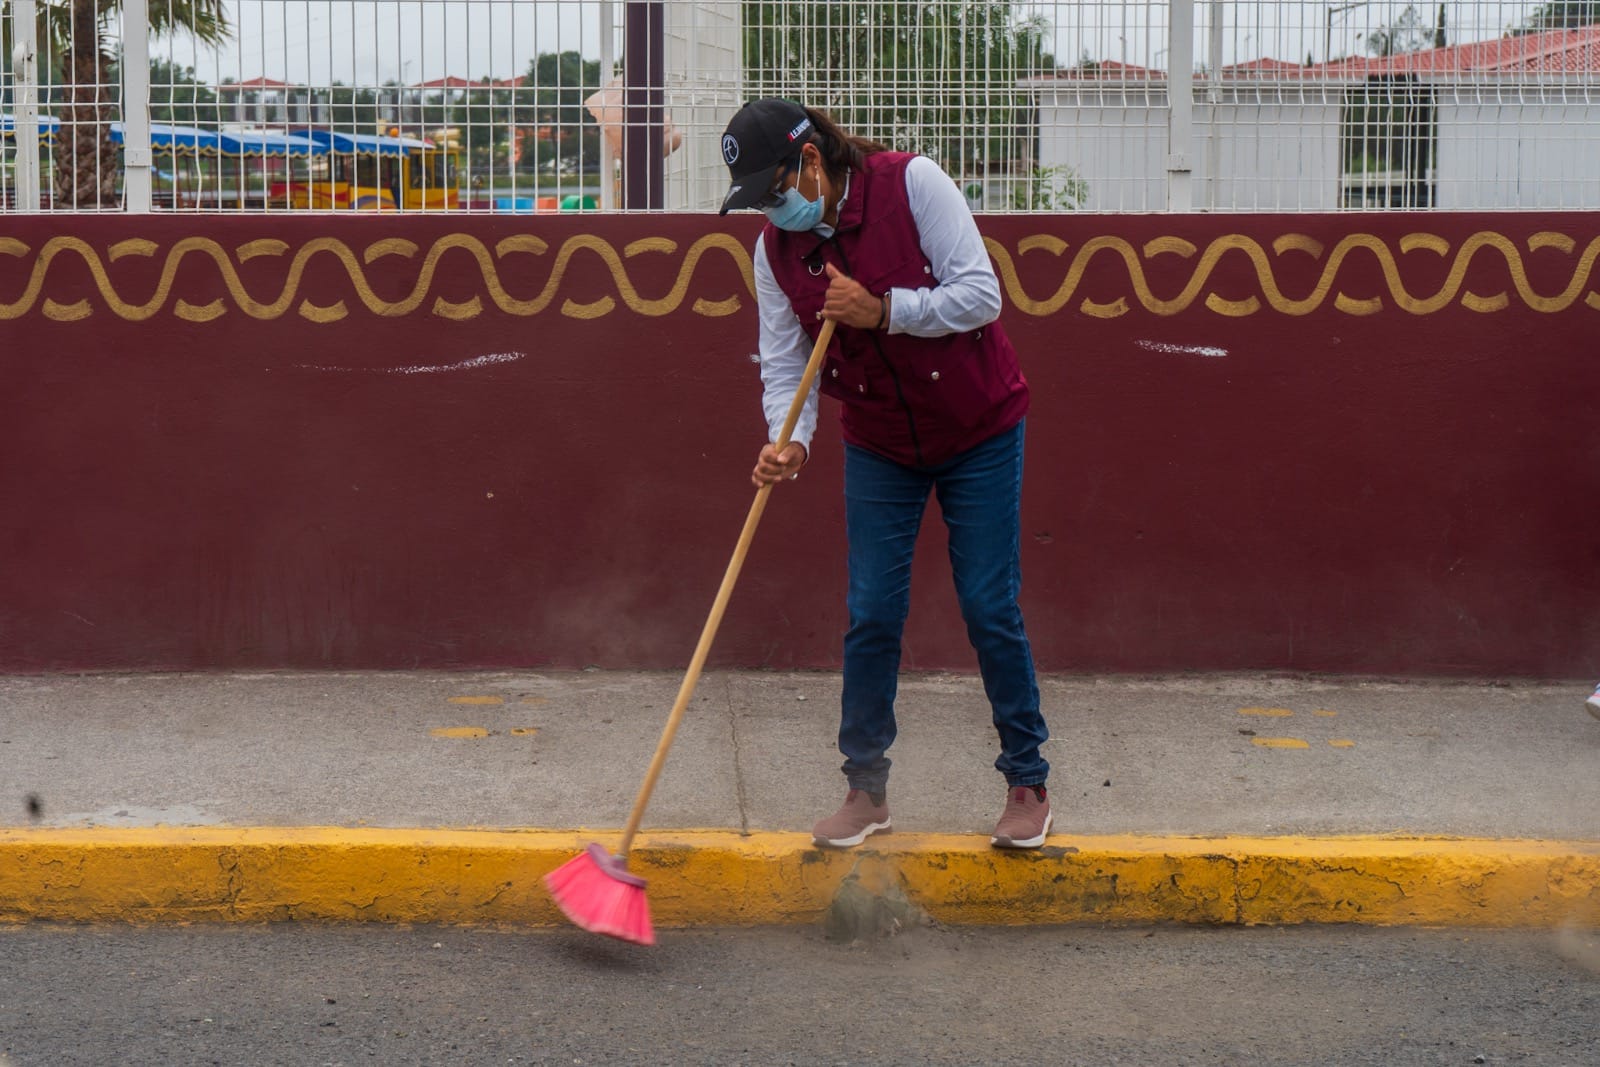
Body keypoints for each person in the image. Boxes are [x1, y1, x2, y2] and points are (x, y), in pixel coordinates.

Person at [718, 98, 1052, 850]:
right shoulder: (774, 254)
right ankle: (866, 791)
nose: (774, 213)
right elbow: (784, 366)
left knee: (988, 603)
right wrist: (789, 442)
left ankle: (1027, 779)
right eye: (760, 205)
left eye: (775, 193)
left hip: (979, 429)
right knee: (871, 611)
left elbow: (980, 296)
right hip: (879, 443)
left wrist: (882, 309)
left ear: (811, 163)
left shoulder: (913, 185)